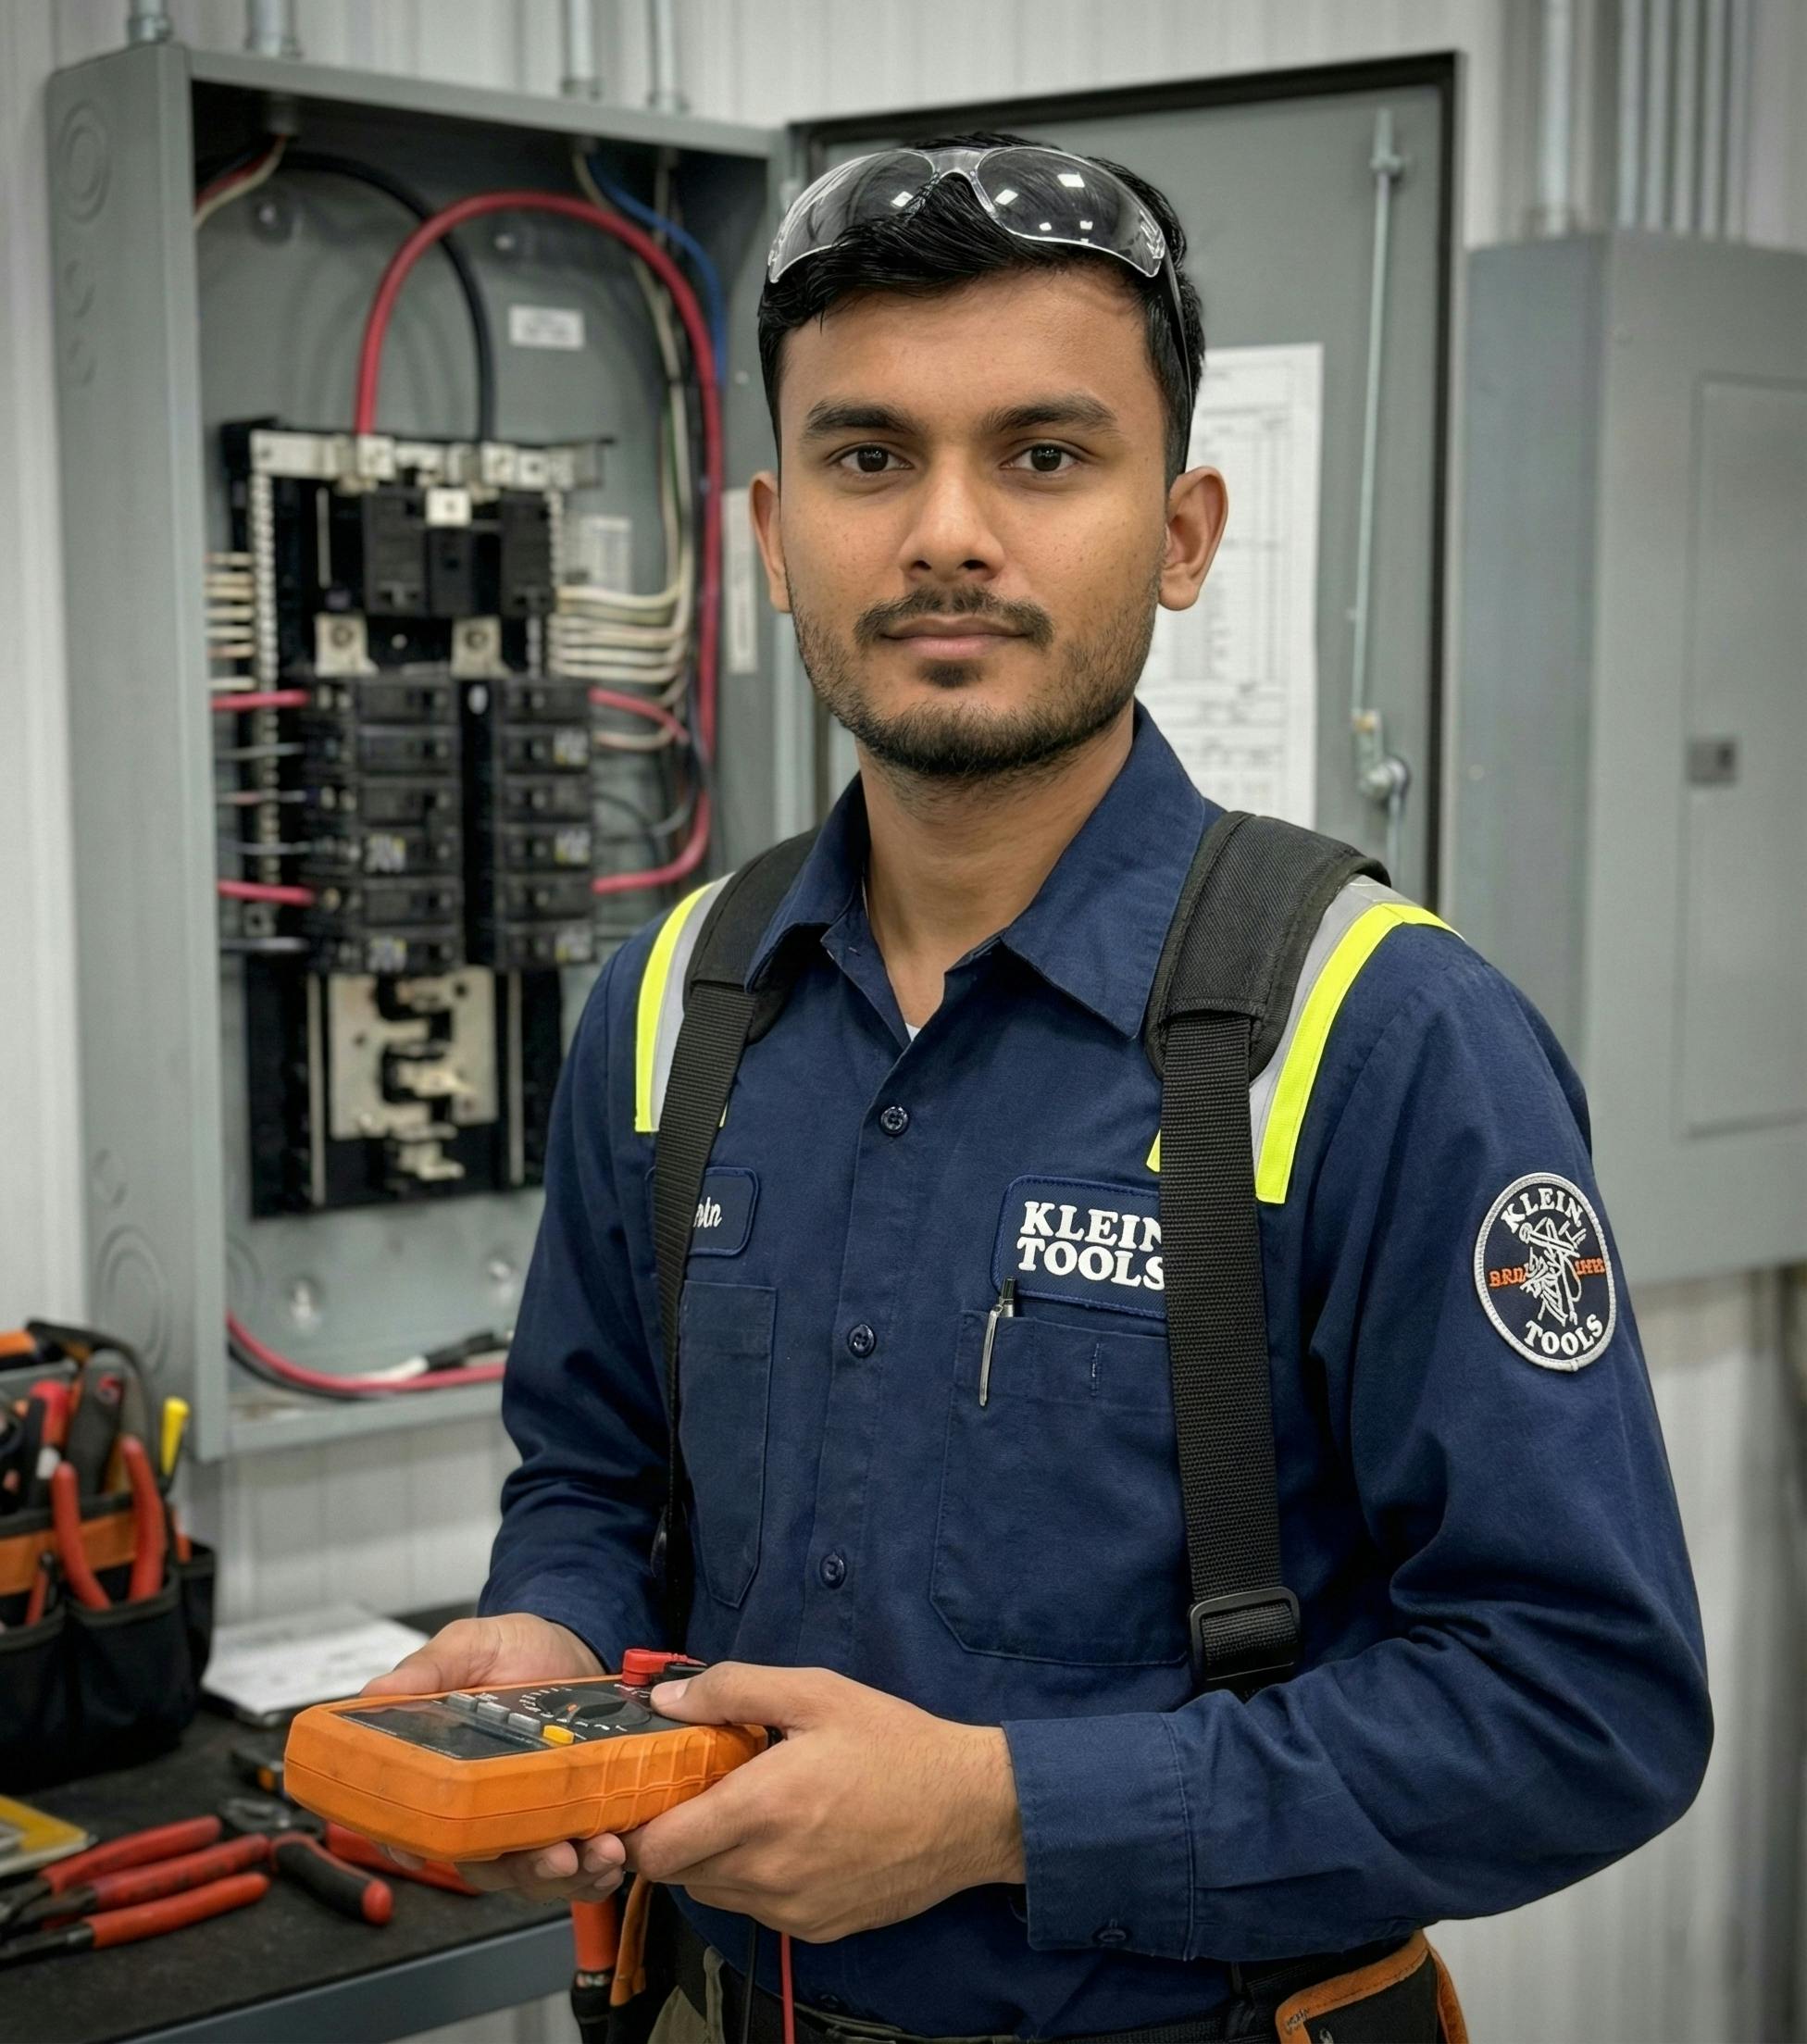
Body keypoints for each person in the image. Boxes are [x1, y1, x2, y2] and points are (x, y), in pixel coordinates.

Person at [366, 133, 1712, 2040]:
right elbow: (591, 1472)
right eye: (866, 456)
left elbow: (1583, 1710)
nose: (945, 532)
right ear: (767, 537)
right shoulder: (671, 1008)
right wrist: (555, 1638)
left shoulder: (1385, 1041)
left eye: (1044, 454)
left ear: (1180, 530)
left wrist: (994, 1818)